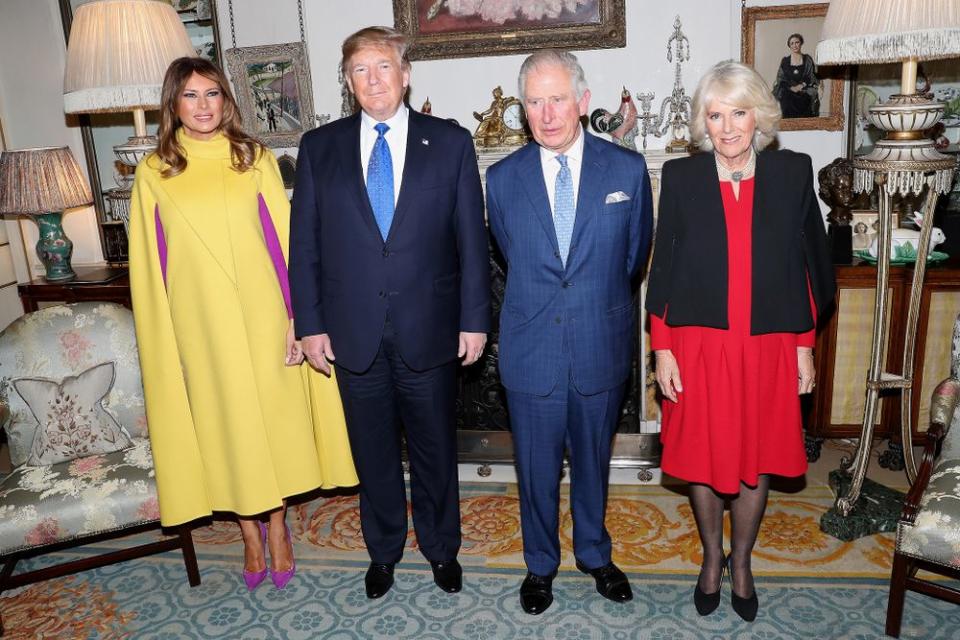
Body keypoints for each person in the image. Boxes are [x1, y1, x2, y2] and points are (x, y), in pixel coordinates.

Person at [128, 57, 358, 592]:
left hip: (265, 316)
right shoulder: (154, 171)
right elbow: (150, 265)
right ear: (173, 104)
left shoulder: (251, 156)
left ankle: (277, 527)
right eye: (191, 95)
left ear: (226, 100)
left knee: (276, 424)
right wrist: (168, 342)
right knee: (226, 427)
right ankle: (248, 532)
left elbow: (286, 245)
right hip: (199, 323)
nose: (204, 105)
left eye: (212, 93)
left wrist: (298, 317)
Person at [289, 26, 490, 600]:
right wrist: (310, 325)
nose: (372, 79)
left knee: (435, 452)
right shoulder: (319, 148)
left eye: (383, 66)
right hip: (352, 333)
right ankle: (383, 551)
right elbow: (303, 246)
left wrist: (474, 320)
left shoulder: (449, 143)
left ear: (405, 73)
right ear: (348, 81)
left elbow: (471, 242)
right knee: (372, 454)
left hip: (430, 328)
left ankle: (441, 549)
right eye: (360, 69)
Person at [645, 60, 835, 622]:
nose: (728, 128)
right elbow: (665, 269)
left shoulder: (793, 173)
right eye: (716, 115)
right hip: (697, 343)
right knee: (703, 460)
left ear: (759, 117)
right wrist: (662, 347)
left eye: (739, 113)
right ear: (704, 123)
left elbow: (808, 268)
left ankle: (744, 561)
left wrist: (804, 345)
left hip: (768, 344)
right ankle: (710, 559)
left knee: (756, 457)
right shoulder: (681, 178)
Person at [485, 49, 653, 615]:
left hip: (599, 345)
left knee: (593, 463)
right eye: (534, 101)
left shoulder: (626, 172)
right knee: (534, 471)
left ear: (582, 101)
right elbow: (510, 254)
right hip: (531, 352)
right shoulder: (502, 180)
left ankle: (595, 554)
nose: (547, 113)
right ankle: (540, 565)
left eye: (557, 99)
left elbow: (632, 260)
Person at [773, 33, 820, 118]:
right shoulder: (785, 61)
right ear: (789, 46)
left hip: (804, 88)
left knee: (806, 98)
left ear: (801, 43)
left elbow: (811, 76)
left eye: (797, 42)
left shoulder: (807, 59)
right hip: (788, 89)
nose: (795, 45)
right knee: (785, 97)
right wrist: (791, 88)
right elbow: (781, 79)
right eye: (792, 43)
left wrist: (801, 85)